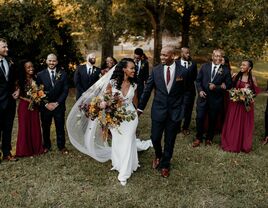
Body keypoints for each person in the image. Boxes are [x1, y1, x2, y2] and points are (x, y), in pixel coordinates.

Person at [66, 58, 152, 186]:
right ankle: (119, 163)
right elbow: (103, 98)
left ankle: (124, 172)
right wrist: (102, 104)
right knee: (118, 140)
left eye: (134, 68)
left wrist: (138, 112)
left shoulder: (134, 84)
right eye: (132, 68)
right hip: (115, 117)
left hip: (130, 117)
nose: (134, 70)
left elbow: (135, 101)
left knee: (128, 139)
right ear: (124, 69)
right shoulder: (112, 83)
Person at [138, 45, 187, 178]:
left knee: (170, 140)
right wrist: (140, 108)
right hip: (158, 110)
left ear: (173, 56)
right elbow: (147, 90)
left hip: (175, 112)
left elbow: (186, 92)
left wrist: (182, 110)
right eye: (161, 55)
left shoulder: (183, 71)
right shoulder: (156, 70)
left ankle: (165, 164)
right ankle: (158, 155)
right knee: (155, 137)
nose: (162, 57)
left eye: (165, 55)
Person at [193, 49, 232, 147]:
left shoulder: (226, 70)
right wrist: (200, 90)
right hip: (203, 98)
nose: (218, 58)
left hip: (216, 99)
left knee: (212, 119)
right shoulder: (204, 66)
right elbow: (198, 81)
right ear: (212, 56)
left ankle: (209, 138)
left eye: (220, 56)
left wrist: (217, 87)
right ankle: (198, 137)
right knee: (199, 118)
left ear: (222, 57)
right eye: (216, 56)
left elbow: (229, 85)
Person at [221, 60, 260, 153]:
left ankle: (243, 144)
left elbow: (255, 93)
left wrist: (247, 94)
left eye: (244, 65)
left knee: (244, 125)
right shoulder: (236, 76)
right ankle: (231, 142)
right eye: (241, 64)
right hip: (235, 104)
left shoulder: (252, 79)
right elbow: (230, 88)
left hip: (245, 106)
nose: (241, 66)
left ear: (249, 68)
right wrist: (236, 92)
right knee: (233, 122)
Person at [36, 54, 69, 154]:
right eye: (50, 61)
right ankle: (46, 145)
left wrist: (57, 103)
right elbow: (38, 91)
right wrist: (46, 104)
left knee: (60, 126)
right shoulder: (40, 75)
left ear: (57, 62)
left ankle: (61, 146)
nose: (51, 63)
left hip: (58, 105)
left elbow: (65, 90)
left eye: (53, 61)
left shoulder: (63, 74)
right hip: (45, 106)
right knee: (45, 127)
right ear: (46, 61)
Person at [16, 60, 44, 157]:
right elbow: (17, 95)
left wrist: (38, 97)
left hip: (34, 106)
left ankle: (37, 148)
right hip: (24, 106)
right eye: (28, 67)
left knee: (35, 126)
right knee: (24, 127)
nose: (31, 69)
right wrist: (28, 100)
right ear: (24, 69)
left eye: (32, 66)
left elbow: (40, 92)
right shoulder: (20, 80)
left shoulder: (36, 79)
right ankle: (24, 151)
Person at [0, 38, 19, 161]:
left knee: (8, 128)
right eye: (4, 47)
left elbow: (14, 80)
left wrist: (17, 90)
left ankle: (7, 153)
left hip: (10, 102)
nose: (7, 49)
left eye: (7, 46)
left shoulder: (10, 61)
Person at [176, 47, 197, 135]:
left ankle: (185, 127)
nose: (188, 54)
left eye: (189, 53)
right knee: (178, 109)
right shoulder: (176, 63)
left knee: (188, 109)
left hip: (190, 91)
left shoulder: (193, 64)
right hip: (178, 91)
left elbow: (195, 77)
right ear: (181, 53)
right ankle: (177, 127)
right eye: (186, 53)